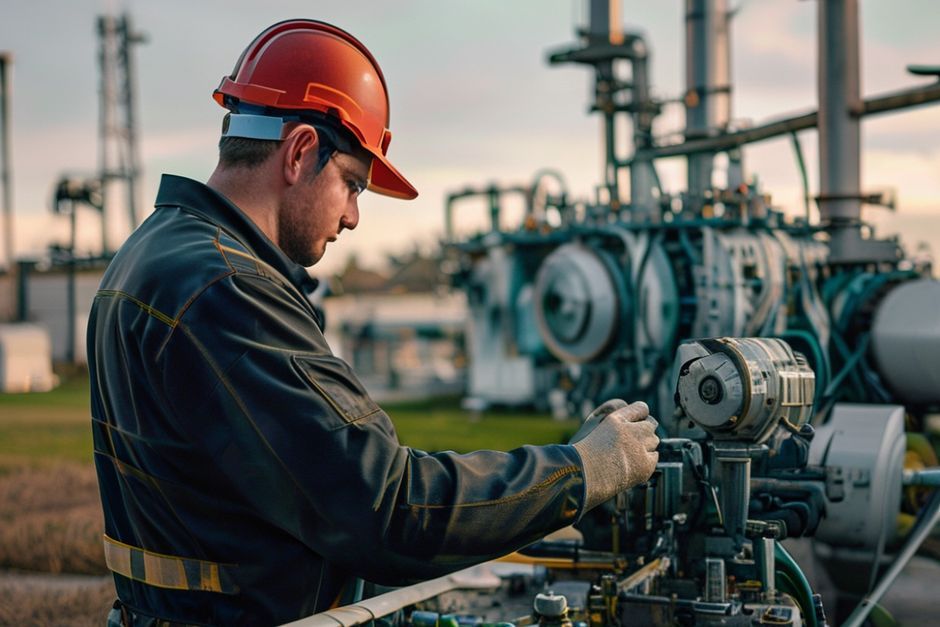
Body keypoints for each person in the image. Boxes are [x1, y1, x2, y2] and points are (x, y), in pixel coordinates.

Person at [88, 19, 660, 626]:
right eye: (352, 185)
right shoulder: (229, 290)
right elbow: (387, 510)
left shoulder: (151, 252)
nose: (354, 217)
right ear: (301, 150)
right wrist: (581, 471)